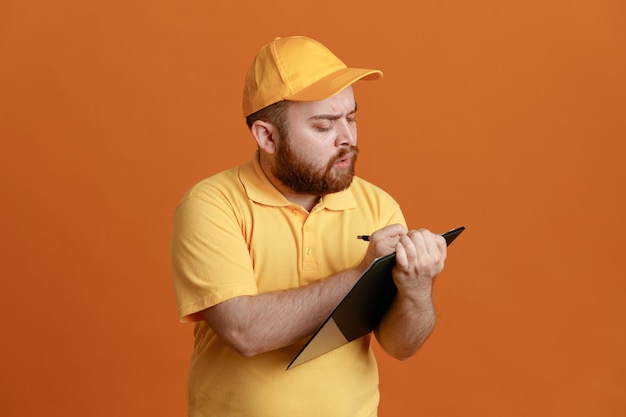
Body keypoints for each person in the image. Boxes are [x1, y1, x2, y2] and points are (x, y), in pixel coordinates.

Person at [171, 35, 448, 417]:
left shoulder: (378, 206)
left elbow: (402, 346)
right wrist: (360, 274)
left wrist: (417, 288)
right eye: (323, 126)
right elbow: (244, 332)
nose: (347, 139)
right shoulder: (211, 205)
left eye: (351, 117)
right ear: (268, 136)